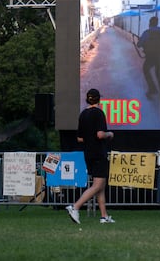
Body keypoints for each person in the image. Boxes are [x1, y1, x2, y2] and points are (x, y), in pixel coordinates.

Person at [66, 88, 115, 224]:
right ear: (99, 99)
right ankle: (75, 207)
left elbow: (80, 139)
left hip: (88, 153)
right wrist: (109, 134)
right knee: (97, 185)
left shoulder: (83, 114)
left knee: (100, 185)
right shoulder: (99, 113)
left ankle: (104, 216)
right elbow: (100, 134)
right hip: (99, 152)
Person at [137, 16, 160, 100]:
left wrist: (142, 41)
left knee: (145, 70)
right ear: (157, 23)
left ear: (150, 23)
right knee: (159, 74)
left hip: (150, 58)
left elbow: (139, 44)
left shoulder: (146, 33)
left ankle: (152, 89)